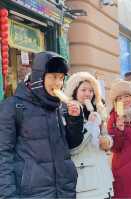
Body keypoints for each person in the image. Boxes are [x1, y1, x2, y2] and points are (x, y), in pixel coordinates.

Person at [0, 51, 84, 198]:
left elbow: (73, 144)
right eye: (52, 77)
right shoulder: (13, 106)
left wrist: (75, 120)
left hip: (64, 191)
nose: (58, 83)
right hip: (31, 194)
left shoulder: (60, 107)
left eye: (61, 78)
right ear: (39, 77)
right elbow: (3, 155)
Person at [64, 72, 114, 199]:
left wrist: (107, 141)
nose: (88, 94)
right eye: (83, 90)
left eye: (91, 90)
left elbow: (105, 135)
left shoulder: (97, 109)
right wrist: (90, 125)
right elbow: (73, 147)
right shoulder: (69, 112)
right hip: (85, 180)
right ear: (75, 91)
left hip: (102, 176)